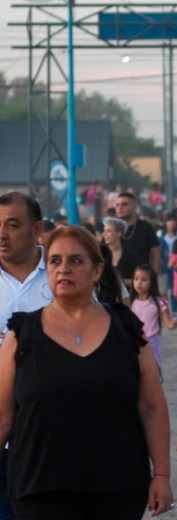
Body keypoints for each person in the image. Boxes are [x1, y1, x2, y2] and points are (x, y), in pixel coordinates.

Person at [0, 226, 173, 518]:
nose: (63, 269)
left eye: (76, 260)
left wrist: (162, 475)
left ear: (96, 270)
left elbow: (152, 406)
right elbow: (3, 415)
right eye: (55, 261)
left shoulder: (126, 329)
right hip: (40, 485)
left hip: (117, 484)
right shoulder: (21, 334)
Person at [0, 192, 54, 520]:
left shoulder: (63, 271)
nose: (2, 234)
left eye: (12, 225)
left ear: (37, 230)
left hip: (51, 435)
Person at [129, 264, 177, 373]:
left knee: (154, 368)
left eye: (144, 280)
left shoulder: (158, 301)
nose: (139, 283)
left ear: (152, 282)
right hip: (134, 341)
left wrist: (175, 323)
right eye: (136, 279)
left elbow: (168, 323)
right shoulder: (130, 302)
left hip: (151, 340)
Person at [115, 192, 161, 274]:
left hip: (141, 281)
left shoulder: (145, 228)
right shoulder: (111, 228)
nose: (120, 208)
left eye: (124, 204)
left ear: (134, 207)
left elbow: (156, 257)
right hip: (116, 282)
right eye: (117, 205)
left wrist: (151, 279)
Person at [102, 217, 140, 285]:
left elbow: (138, 279)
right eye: (104, 231)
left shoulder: (130, 255)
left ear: (118, 233)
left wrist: (122, 282)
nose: (104, 235)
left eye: (108, 231)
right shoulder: (101, 253)